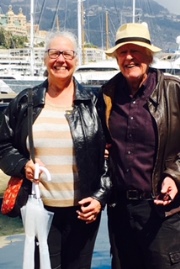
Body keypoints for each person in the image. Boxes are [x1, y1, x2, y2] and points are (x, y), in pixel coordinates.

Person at [0, 31, 111, 269]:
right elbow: (3, 144)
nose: (61, 59)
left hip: (84, 211)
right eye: (54, 53)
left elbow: (111, 156)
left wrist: (100, 197)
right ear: (45, 59)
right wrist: (22, 165)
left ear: (76, 60)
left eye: (67, 53)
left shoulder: (93, 104)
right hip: (40, 209)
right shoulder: (26, 101)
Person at [102, 22, 180, 269]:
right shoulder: (108, 94)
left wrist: (175, 176)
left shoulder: (173, 89)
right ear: (116, 58)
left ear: (149, 55)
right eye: (123, 52)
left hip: (162, 211)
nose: (129, 57)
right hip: (120, 210)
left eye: (135, 51)